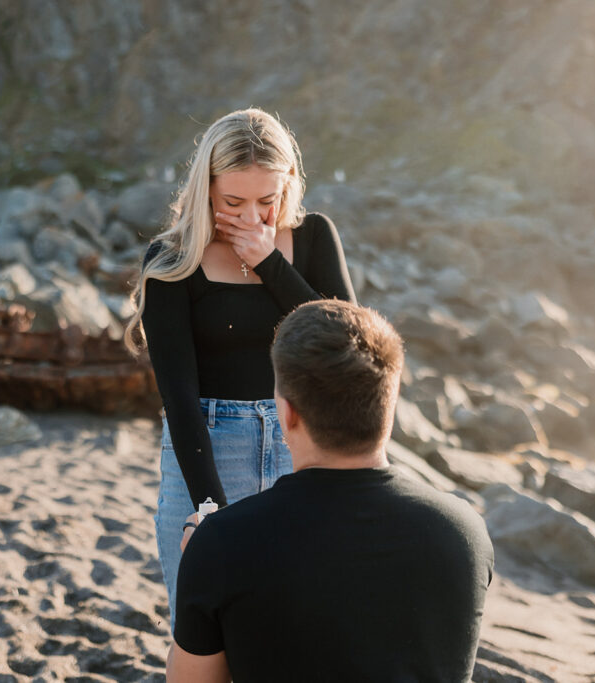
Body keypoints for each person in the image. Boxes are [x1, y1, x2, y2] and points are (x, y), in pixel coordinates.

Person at [167, 300, 494, 683]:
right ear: (389, 403)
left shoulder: (222, 542)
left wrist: (203, 564)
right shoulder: (465, 531)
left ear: (287, 414)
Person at [125, 108, 357, 626]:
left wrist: (269, 261)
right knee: (208, 633)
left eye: (267, 201)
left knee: (297, 631)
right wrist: (207, 507)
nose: (252, 217)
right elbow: (179, 398)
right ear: (206, 188)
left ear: (289, 185)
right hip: (207, 443)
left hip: (306, 450)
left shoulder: (315, 237)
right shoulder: (171, 259)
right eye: (233, 202)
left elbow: (348, 343)